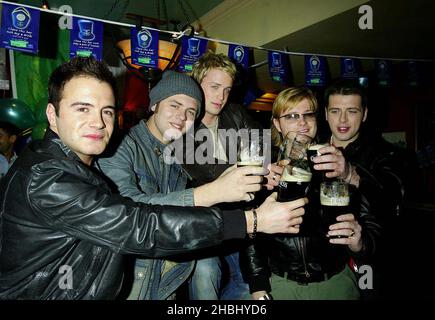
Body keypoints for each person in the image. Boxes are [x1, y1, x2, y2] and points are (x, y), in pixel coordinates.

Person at [0, 57, 306, 300]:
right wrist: (248, 219)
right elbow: (136, 222)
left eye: (107, 111)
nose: (98, 121)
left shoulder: (171, 154)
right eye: (83, 109)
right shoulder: (49, 176)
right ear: (52, 115)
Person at [97, 70, 267, 300]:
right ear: (155, 104)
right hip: (129, 279)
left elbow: (181, 222)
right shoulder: (119, 147)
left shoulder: (178, 160)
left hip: (167, 279)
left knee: (210, 266)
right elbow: (127, 211)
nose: (181, 116)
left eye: (190, 112)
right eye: (174, 105)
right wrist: (211, 193)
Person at [242, 86, 381, 300]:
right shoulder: (264, 173)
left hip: (336, 283)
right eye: (292, 116)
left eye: (308, 115)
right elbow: (250, 236)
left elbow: (369, 222)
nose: (302, 123)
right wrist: (258, 287)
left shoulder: (338, 167)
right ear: (277, 123)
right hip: (281, 285)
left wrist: (360, 243)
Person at [179, 52, 280, 300]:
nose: (220, 96)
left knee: (248, 284)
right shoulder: (182, 120)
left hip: (240, 215)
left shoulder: (235, 114)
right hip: (202, 220)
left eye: (226, 89)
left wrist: (269, 167)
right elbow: (207, 170)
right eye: (214, 87)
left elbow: (262, 148)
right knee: (206, 272)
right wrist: (256, 169)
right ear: (196, 84)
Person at [324, 79, 410, 298]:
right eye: (335, 111)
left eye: (351, 111)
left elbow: (394, 198)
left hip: (365, 257)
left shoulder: (384, 154)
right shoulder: (314, 150)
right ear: (325, 114)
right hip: (321, 262)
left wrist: (350, 174)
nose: (342, 119)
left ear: (364, 114)